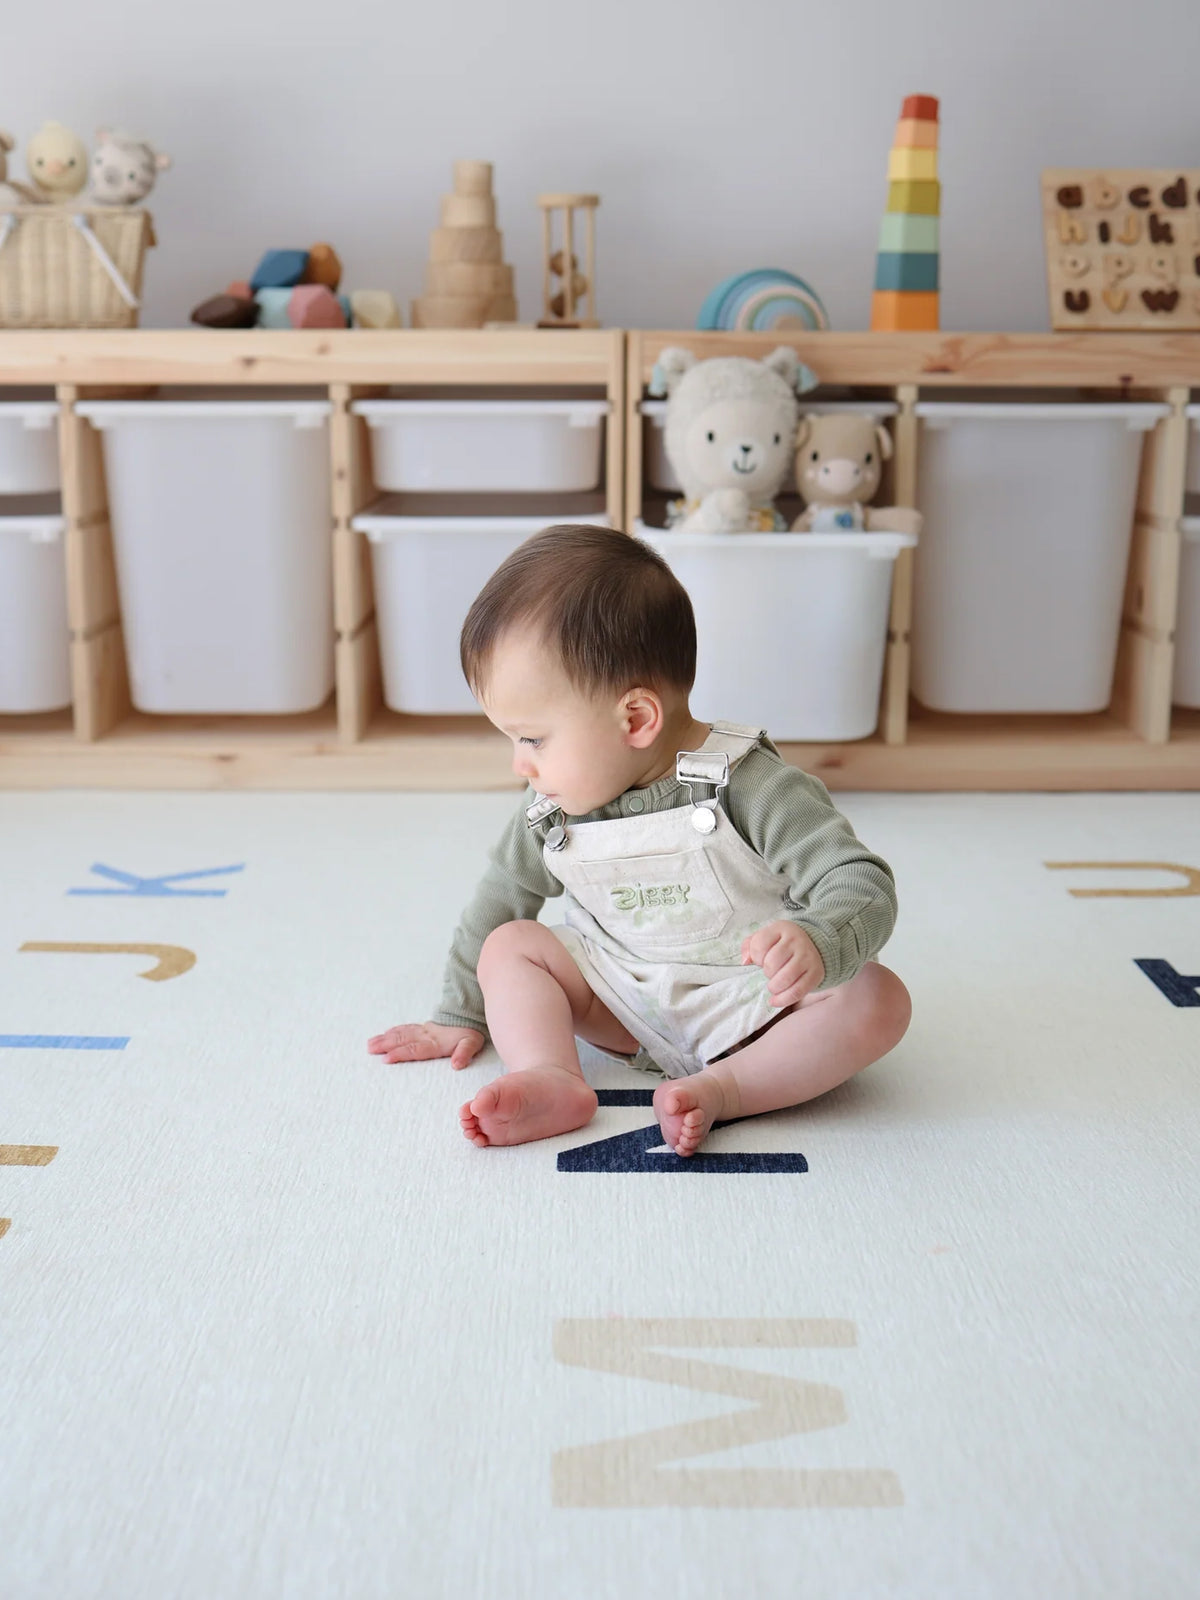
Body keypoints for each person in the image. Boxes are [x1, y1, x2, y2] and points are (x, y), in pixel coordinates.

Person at [368, 523, 911, 1157]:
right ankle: (549, 1074)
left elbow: (859, 880)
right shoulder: (551, 810)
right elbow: (501, 896)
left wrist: (820, 940)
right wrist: (457, 1014)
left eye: (533, 739)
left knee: (879, 999)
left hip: (755, 1007)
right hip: (622, 1001)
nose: (520, 765)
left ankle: (728, 1089)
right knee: (509, 945)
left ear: (636, 718)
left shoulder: (755, 787)